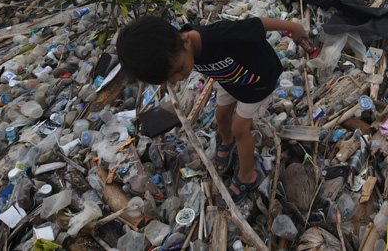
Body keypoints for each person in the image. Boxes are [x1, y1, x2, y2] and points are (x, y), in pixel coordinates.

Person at [116, 15, 309, 202]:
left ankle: (247, 175)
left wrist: (293, 27)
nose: (177, 80)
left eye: (177, 71)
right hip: (228, 78)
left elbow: (257, 23)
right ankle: (227, 141)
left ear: (185, 41)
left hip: (257, 80)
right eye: (168, 80)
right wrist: (167, 77)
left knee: (240, 128)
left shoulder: (220, 35)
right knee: (221, 116)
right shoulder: (175, 52)